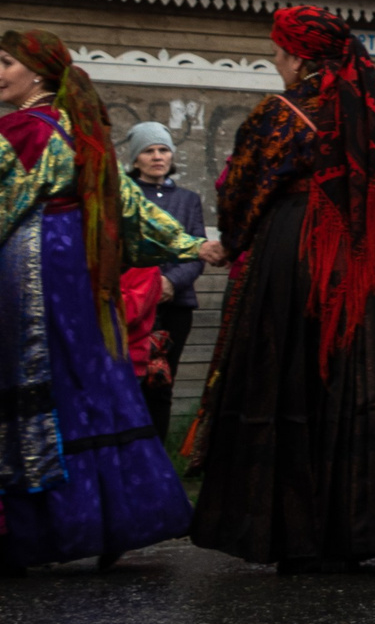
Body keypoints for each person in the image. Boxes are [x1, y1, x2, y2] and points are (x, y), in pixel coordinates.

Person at [189, 8, 375, 571]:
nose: (276, 62)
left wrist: (234, 239)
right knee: (364, 382)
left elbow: (244, 189)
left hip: (290, 263)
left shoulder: (277, 115)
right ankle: (362, 528)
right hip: (373, 263)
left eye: (278, 52)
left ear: (297, 56)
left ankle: (292, 533)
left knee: (289, 385)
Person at [0, 33, 215, 569]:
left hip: (31, 269)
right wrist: (191, 243)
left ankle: (35, 530)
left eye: (6, 63)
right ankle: (117, 518)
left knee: (31, 381)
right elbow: (133, 210)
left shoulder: (18, 132)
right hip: (82, 272)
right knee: (90, 379)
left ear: (40, 75)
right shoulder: (82, 132)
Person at [121, 120, 206, 438]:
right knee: (128, 380)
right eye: (148, 150)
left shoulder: (187, 199)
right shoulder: (125, 196)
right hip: (129, 305)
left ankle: (157, 460)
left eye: (163, 149)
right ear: (135, 159)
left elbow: (197, 250)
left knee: (160, 383)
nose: (158, 156)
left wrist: (170, 283)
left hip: (175, 304)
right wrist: (144, 286)